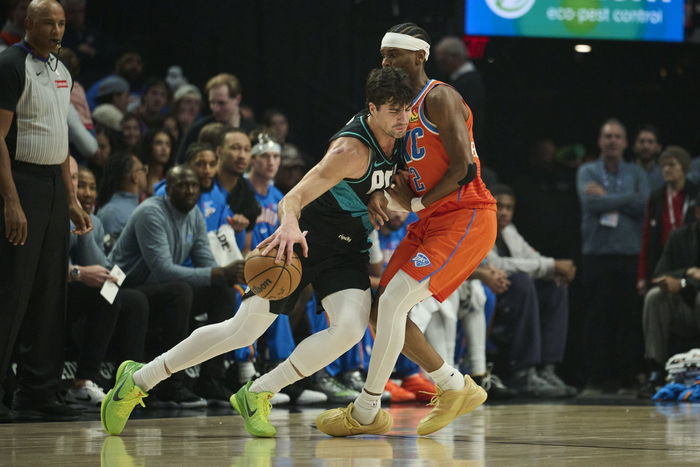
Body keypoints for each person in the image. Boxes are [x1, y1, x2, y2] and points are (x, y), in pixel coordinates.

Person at [100, 66, 414, 437]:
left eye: (407, 109)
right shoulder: (351, 149)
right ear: (372, 109)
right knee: (242, 330)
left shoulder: (403, 135)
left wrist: (381, 194)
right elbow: (292, 197)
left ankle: (258, 392)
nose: (403, 118)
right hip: (305, 239)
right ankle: (139, 379)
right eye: (394, 111)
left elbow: (389, 185)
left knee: (350, 329)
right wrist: (289, 225)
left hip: (348, 249)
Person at [317, 23, 497, 437]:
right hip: (430, 219)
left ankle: (366, 410)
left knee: (395, 300)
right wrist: (377, 194)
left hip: (467, 214)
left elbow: (464, 169)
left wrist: (414, 204)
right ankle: (455, 387)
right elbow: (396, 173)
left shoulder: (439, 97)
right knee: (381, 309)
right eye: (383, 54)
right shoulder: (395, 110)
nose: (386, 61)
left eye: (394, 54)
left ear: (419, 56)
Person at [0, 0, 92, 423]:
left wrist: (71, 199)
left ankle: (38, 390)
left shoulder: (62, 71)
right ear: (27, 23)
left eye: (61, 23)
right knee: (12, 289)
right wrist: (11, 200)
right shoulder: (10, 65)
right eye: (48, 23)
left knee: (50, 293)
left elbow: (60, 139)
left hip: (55, 186)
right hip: (21, 182)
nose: (57, 30)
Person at [107, 165, 246, 406]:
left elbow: (206, 262)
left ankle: (211, 379)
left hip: (155, 287)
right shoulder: (151, 213)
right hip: (122, 285)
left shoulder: (195, 215)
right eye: (182, 185)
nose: (190, 190)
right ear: (168, 190)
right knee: (180, 291)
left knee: (222, 292)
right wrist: (219, 272)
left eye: (194, 185)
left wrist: (229, 275)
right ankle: (173, 384)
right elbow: (163, 270)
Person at [65, 158, 149, 408]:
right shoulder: (54, 216)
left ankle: (126, 386)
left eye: (91, 187)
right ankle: (82, 381)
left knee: (135, 300)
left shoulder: (96, 221)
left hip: (78, 289)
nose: (87, 193)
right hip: (53, 291)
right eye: (79, 184)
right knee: (104, 294)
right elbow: (47, 272)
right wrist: (80, 272)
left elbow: (101, 267)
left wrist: (85, 225)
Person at [576, 118, 650, 394]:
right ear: (599, 141)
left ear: (626, 143)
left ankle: (626, 378)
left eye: (618, 136)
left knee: (627, 319)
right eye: (608, 136)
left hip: (629, 255)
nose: (612, 141)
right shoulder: (587, 170)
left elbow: (643, 205)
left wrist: (606, 195)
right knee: (596, 318)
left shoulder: (636, 172)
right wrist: (626, 197)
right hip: (596, 254)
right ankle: (596, 379)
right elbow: (590, 203)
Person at [486, 184, 577, 397]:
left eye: (509, 208)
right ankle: (523, 373)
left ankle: (546, 369)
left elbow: (532, 257)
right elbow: (498, 264)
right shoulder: (478, 227)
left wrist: (553, 269)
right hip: (492, 293)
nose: (504, 212)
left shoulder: (509, 231)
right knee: (521, 280)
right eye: (499, 206)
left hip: (513, 296)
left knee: (554, 287)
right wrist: (551, 265)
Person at [640, 193, 700, 398]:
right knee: (655, 296)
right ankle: (656, 372)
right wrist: (687, 273)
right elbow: (660, 275)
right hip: (685, 312)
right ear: (698, 212)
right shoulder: (679, 237)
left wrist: (682, 284)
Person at [638, 146, 697, 297]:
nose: (666, 169)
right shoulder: (656, 197)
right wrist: (642, 276)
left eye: (671, 165)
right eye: (663, 165)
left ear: (684, 167)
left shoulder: (696, 193)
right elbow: (646, 238)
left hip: (692, 257)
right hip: (663, 260)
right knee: (655, 297)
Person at [176, 73, 256, 163]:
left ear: (237, 99)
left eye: (221, 103)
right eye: (212, 103)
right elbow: (180, 164)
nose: (215, 109)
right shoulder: (197, 130)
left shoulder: (253, 132)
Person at [434, 36, 485, 149]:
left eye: (441, 61)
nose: (439, 66)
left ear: (453, 57)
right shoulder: (457, 80)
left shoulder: (471, 82)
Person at [96, 152, 148, 251]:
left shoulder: (135, 206)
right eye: (143, 170)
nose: (146, 174)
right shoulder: (112, 212)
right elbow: (111, 255)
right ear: (135, 177)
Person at [137, 128, 175, 197]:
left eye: (168, 144)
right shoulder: (139, 176)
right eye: (159, 143)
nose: (164, 148)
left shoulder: (172, 180)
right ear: (149, 146)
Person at [633, 125, 664, 193]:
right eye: (641, 142)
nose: (645, 146)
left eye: (650, 142)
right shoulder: (624, 173)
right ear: (634, 146)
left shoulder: (664, 175)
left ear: (658, 147)